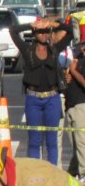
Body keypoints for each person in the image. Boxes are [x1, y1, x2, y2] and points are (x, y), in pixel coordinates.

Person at [10, 17, 72, 164]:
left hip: (52, 98)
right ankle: (35, 171)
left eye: (46, 32)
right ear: (34, 33)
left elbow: (70, 32)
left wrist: (53, 24)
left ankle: (51, 172)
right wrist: (31, 24)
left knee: (52, 139)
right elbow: (13, 31)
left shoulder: (55, 49)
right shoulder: (27, 49)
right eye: (40, 32)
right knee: (34, 139)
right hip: (33, 99)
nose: (44, 34)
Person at [65, 38, 85, 176]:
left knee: (82, 143)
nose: (82, 49)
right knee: (75, 144)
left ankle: (83, 173)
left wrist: (74, 71)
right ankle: (72, 172)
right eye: (81, 46)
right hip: (70, 104)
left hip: (81, 105)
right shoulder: (77, 59)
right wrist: (68, 76)